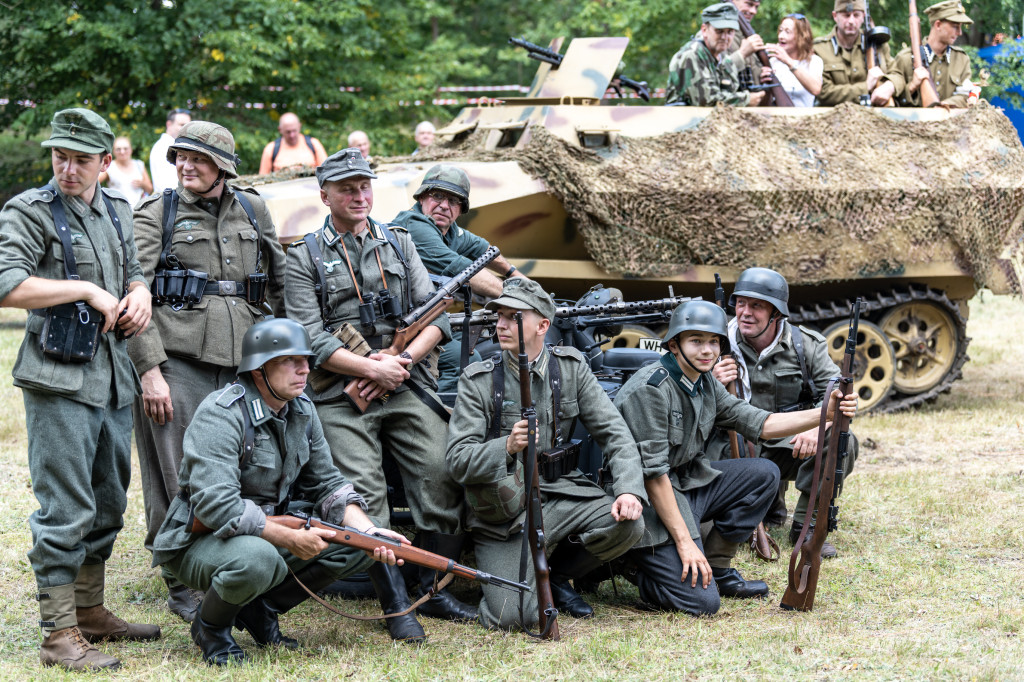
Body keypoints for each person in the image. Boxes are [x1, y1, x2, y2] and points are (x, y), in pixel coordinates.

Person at [285, 147, 471, 643]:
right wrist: (372, 367)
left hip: (404, 384)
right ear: (324, 194)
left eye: (364, 186)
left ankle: (431, 588)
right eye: (347, 189)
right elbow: (309, 336)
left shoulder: (399, 243)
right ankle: (394, 604)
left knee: (444, 469)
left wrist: (400, 364)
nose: (358, 196)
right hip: (339, 393)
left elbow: (437, 318)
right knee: (360, 493)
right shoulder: (303, 256)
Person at [152, 318, 410, 666]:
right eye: (291, 360)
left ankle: (259, 610)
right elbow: (217, 507)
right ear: (259, 369)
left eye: (306, 359)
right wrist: (290, 539)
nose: (305, 369)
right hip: (198, 540)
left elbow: (327, 483)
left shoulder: (302, 409)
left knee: (355, 543)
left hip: (268, 529)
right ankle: (210, 627)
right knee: (259, 559)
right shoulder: (222, 413)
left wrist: (368, 533)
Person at [0, 108, 158, 672]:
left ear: (105, 161)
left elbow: (134, 270)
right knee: (65, 507)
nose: (67, 169)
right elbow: (8, 285)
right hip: (58, 377)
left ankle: (90, 611)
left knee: (109, 501)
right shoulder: (30, 210)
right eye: (59, 157)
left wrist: (137, 291)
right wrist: (86, 288)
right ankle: (58, 633)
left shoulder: (117, 209)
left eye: (80, 159)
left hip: (113, 378)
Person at [128, 121, 286, 622]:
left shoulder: (252, 208)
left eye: (197, 159)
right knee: (175, 474)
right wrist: (150, 371)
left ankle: (234, 562)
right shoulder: (158, 212)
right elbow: (135, 294)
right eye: (179, 157)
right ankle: (179, 577)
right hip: (179, 362)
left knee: (243, 466)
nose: (185, 166)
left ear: (223, 168)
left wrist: (282, 356)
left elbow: (277, 282)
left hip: (243, 362)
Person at [613, 300, 857, 615]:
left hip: (687, 485)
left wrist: (826, 413)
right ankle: (636, 567)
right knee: (703, 603)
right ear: (674, 345)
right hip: (650, 499)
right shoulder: (652, 388)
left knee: (763, 473)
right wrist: (685, 542)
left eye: (713, 341)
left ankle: (718, 568)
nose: (706, 350)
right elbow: (654, 477)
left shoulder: (702, 383)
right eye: (696, 341)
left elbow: (763, 424)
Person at [446, 277, 646, 629]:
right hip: (506, 510)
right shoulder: (479, 380)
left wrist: (629, 488)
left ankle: (556, 576)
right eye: (500, 316)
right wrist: (505, 446)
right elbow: (458, 460)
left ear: (543, 325)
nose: (501, 324)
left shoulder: (570, 368)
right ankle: (522, 583)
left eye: (513, 316)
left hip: (560, 495)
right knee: (512, 617)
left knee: (628, 525)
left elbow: (615, 433)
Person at [708, 268, 859, 558]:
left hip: (785, 443)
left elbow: (838, 398)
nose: (745, 313)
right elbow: (687, 399)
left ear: (776, 313)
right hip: (733, 445)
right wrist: (710, 381)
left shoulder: (806, 345)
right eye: (740, 303)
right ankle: (764, 504)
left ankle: (808, 526)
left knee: (842, 439)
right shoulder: (716, 341)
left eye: (757, 306)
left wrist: (817, 427)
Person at [391, 164, 524, 391]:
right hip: (398, 327)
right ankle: (439, 419)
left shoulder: (449, 231)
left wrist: (522, 280)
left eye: (453, 201)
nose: (444, 205)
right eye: (437, 196)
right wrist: (520, 297)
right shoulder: (414, 226)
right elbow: (463, 271)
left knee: (485, 350)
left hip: (427, 321)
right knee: (464, 363)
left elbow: (488, 253)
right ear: (422, 197)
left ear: (461, 209)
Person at [871, 0, 974, 107]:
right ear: (938, 25)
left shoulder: (961, 59)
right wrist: (912, 86)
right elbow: (893, 102)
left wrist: (942, 106)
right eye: (955, 26)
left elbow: (965, 95)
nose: (959, 32)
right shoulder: (905, 58)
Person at [666, 3, 767, 107]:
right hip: (683, 119)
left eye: (730, 32)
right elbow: (707, 101)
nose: (725, 37)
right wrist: (747, 99)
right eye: (719, 31)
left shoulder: (722, 57)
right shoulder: (692, 54)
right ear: (704, 30)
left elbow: (729, 92)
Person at [814, 0, 893, 106]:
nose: (851, 21)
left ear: (863, 16)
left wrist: (890, 85)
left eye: (856, 15)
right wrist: (865, 86)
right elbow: (823, 93)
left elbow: (897, 74)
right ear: (835, 16)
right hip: (833, 117)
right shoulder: (820, 48)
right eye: (846, 15)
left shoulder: (877, 45)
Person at [766, 14, 823, 106]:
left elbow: (815, 89)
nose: (781, 36)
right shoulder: (773, 62)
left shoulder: (814, 61)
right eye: (780, 30)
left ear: (801, 36)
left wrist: (788, 61)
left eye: (787, 32)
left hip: (804, 118)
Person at [257, 112, 329, 175]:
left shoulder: (313, 144)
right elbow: (263, 178)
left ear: (299, 126)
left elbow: (327, 171)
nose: (292, 135)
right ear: (280, 130)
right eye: (288, 132)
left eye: (294, 131)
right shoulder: (271, 149)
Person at [100, 136, 153, 206]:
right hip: (118, 211)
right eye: (118, 149)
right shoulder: (109, 167)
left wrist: (142, 184)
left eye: (125, 148)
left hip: (138, 211)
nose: (122, 152)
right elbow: (93, 183)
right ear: (113, 151)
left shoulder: (139, 165)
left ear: (131, 149)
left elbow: (150, 189)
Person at [149, 107, 191, 193]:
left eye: (188, 126)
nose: (186, 129)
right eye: (182, 125)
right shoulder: (164, 147)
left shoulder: (174, 145)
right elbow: (170, 185)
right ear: (169, 125)